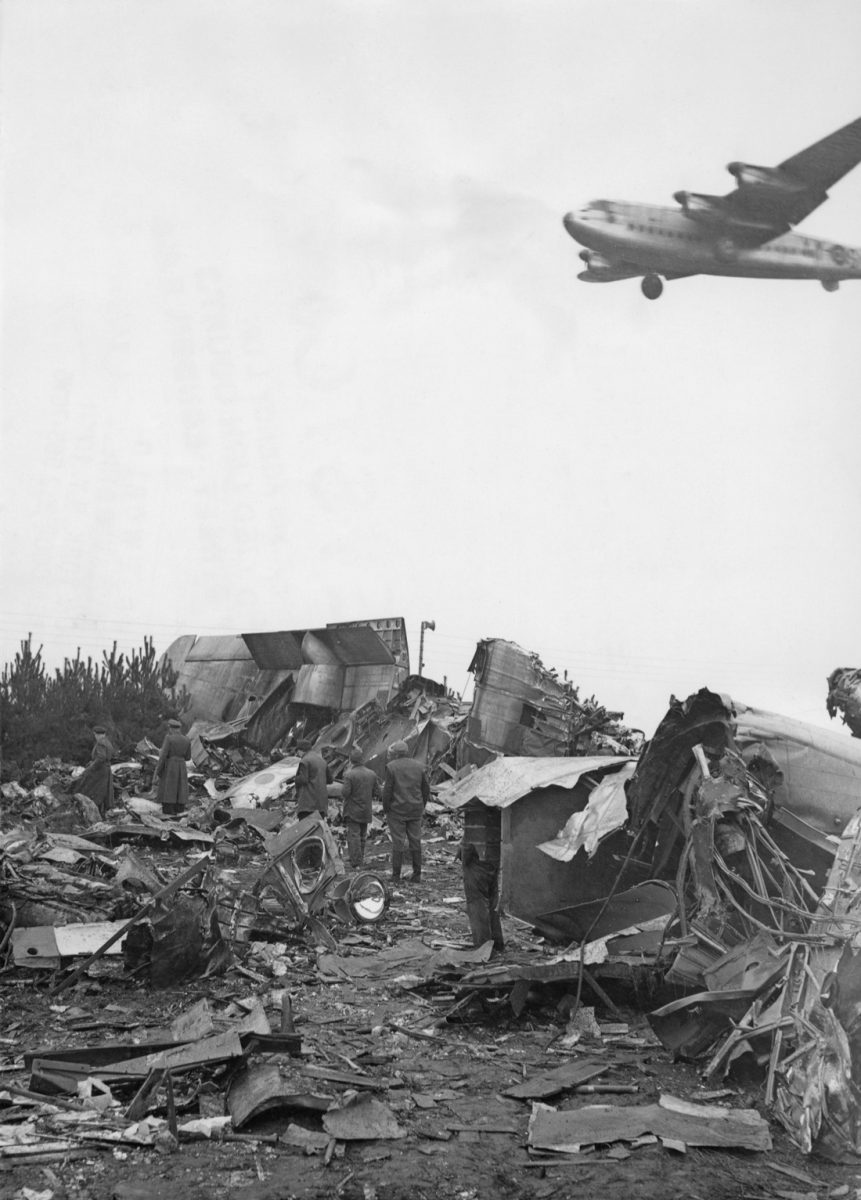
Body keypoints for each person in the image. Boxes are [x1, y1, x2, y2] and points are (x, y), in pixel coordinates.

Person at [382, 740, 429, 883]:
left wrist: (386, 808)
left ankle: (396, 876)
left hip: (397, 811)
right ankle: (417, 874)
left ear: (395, 754)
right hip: (415, 810)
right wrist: (421, 805)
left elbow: (387, 791)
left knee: (398, 842)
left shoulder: (391, 767)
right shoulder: (420, 767)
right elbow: (426, 789)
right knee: (416, 841)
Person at [461, 799, 505, 954]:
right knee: (492, 901)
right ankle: (497, 942)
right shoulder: (498, 809)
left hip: (476, 861)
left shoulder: (474, 809)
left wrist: (464, 857)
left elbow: (469, 844)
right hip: (493, 859)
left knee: (477, 903)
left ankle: (483, 947)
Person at [340, 747, 381, 868]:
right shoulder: (372, 774)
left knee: (354, 836)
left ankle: (356, 862)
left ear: (351, 761)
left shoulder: (349, 775)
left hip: (352, 810)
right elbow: (377, 792)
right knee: (362, 836)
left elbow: (345, 793)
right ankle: (360, 858)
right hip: (366, 810)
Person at [75, 724, 115, 816]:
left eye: (95, 735)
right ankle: (103, 812)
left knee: (93, 790)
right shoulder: (107, 742)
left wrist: (90, 768)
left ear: (98, 734)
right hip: (106, 769)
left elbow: (101, 758)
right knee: (104, 792)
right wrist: (92, 762)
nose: (95, 737)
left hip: (99, 771)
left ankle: (94, 812)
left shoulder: (101, 743)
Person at [156, 718, 191, 816]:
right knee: (181, 787)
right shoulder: (187, 740)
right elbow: (188, 757)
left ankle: (169, 809)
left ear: (171, 728)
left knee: (169, 787)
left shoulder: (169, 738)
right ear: (179, 729)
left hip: (170, 765)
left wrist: (158, 771)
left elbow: (163, 756)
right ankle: (179, 809)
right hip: (182, 765)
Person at [294, 739, 331, 819]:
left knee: (305, 829)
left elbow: (303, 779)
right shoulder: (323, 761)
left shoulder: (305, 761)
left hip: (307, 804)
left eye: (297, 751)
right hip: (322, 805)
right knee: (318, 828)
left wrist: (295, 779)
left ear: (301, 750)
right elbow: (330, 780)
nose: (297, 753)